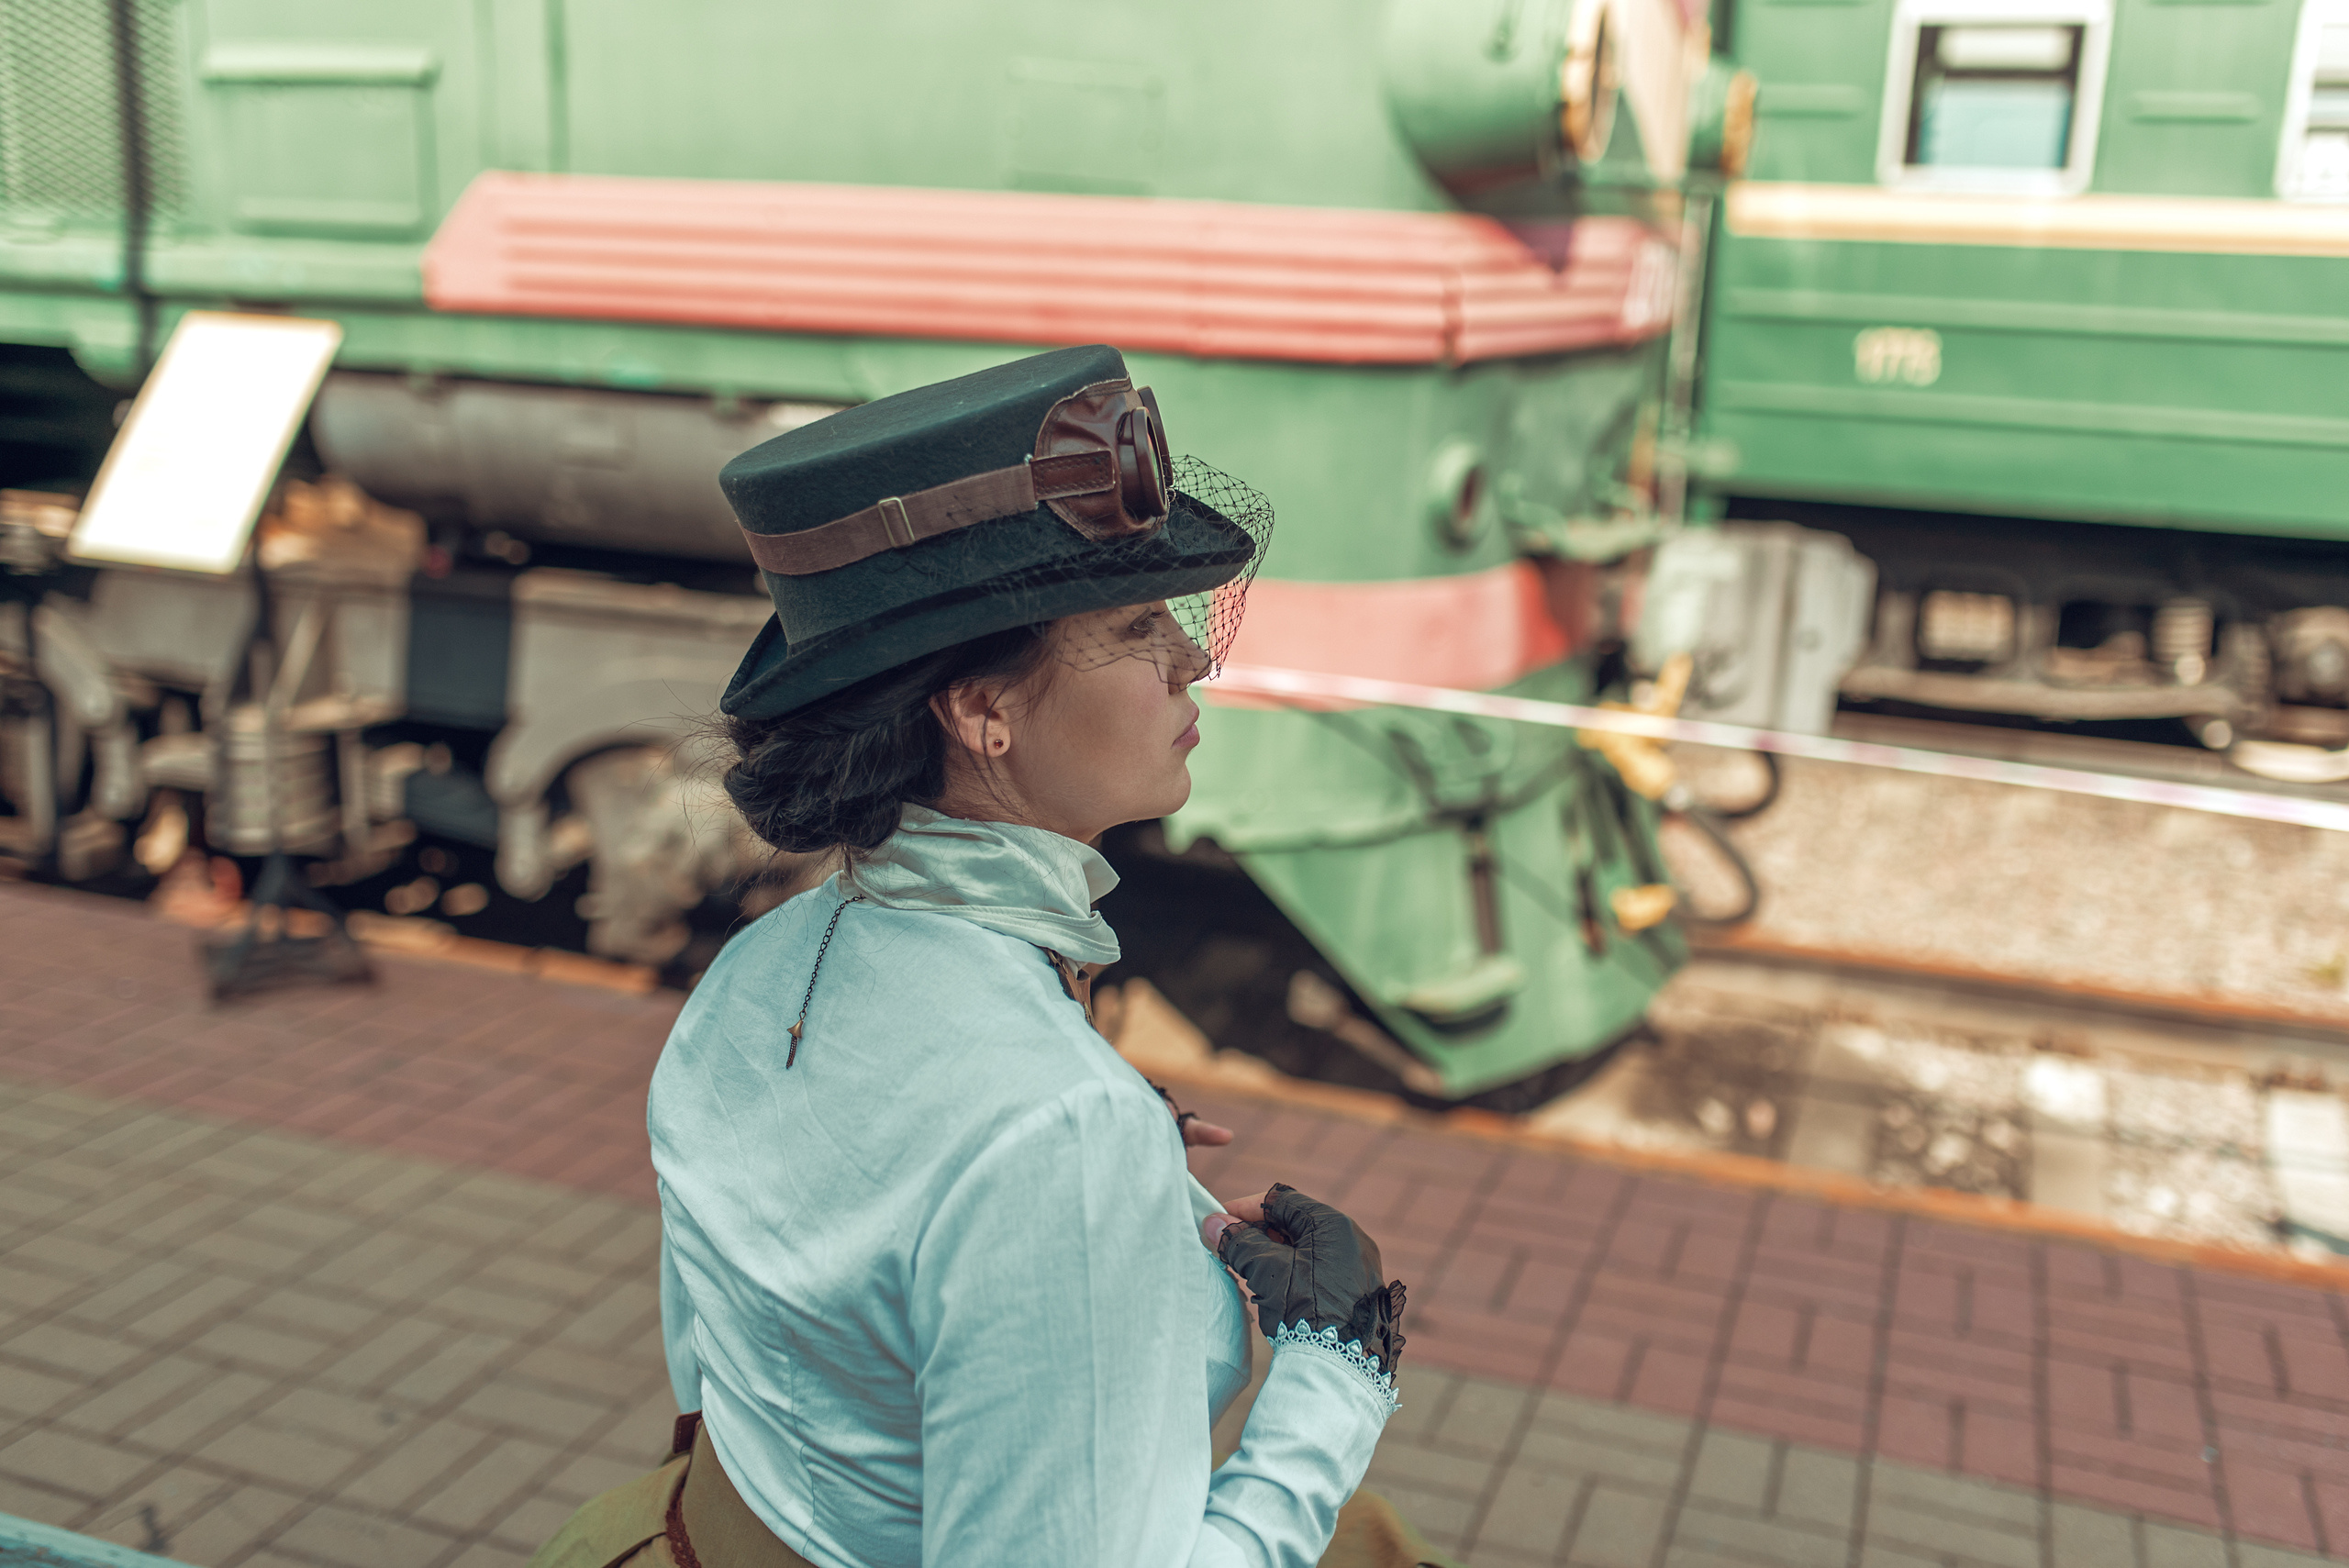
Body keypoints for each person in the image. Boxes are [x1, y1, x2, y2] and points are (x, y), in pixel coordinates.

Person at [528, 345, 1442, 1568]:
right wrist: (1338, 1365)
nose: (1192, 656)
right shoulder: (1056, 1129)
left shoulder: (760, 965)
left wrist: (1103, 1177)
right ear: (979, 710)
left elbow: (726, 1341)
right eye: (1131, 625)